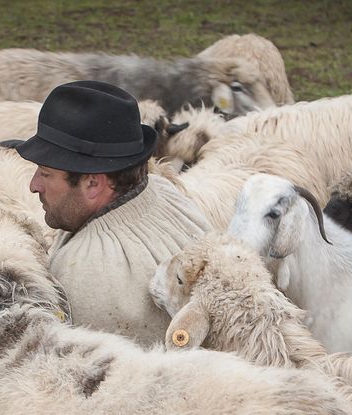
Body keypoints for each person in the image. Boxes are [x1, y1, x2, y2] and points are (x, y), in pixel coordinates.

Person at [17, 80, 212, 345]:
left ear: (93, 183)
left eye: (46, 173)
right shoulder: (164, 191)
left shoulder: (85, 278)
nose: (33, 185)